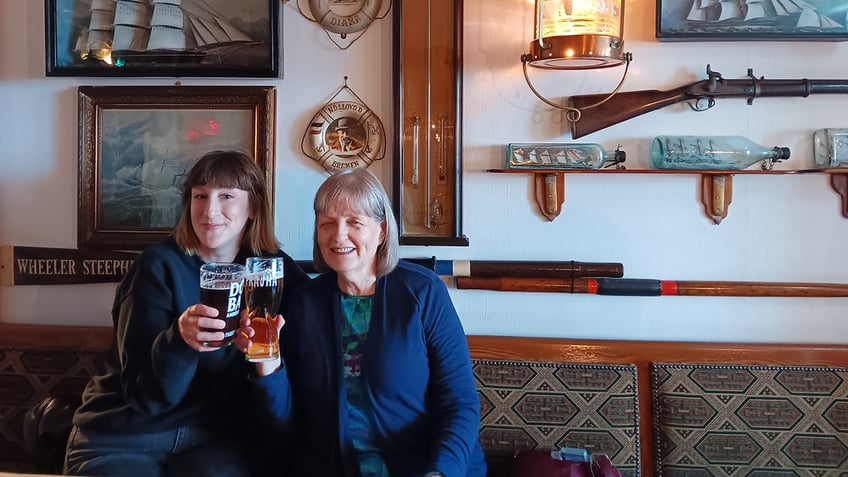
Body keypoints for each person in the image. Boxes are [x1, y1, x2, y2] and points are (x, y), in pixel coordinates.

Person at [64, 150, 310, 477]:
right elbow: (146, 396)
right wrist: (179, 341)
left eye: (226, 196)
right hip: (127, 435)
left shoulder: (270, 272)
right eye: (200, 196)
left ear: (253, 207)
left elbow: (321, 311)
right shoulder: (157, 266)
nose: (210, 210)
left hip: (210, 440)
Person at [239, 168, 486, 477]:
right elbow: (286, 423)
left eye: (354, 222)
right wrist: (268, 363)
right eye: (327, 223)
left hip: (423, 468)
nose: (338, 234)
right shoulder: (304, 304)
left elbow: (459, 402)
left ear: (381, 231)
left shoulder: (422, 292)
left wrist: (441, 471)